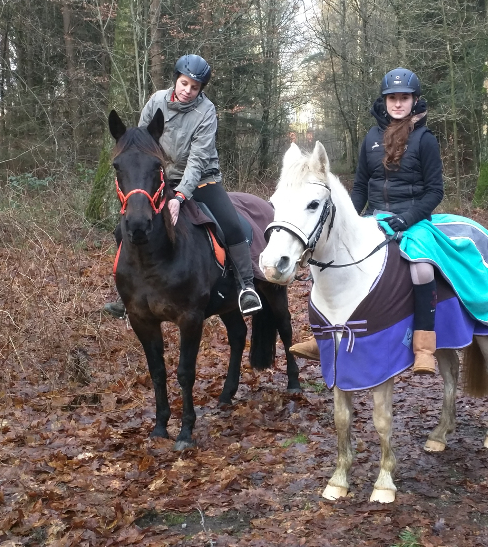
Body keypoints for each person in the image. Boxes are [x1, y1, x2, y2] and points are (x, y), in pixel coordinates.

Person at [290, 67, 444, 374]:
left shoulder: (425, 140)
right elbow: (360, 186)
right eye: (392, 98)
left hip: (414, 219)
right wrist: (349, 218)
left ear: (414, 101)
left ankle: (424, 347)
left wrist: (408, 218)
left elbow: (434, 191)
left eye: (404, 98)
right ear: (384, 101)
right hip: (375, 218)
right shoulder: (371, 137)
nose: (398, 103)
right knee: (328, 257)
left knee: (423, 270)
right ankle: (322, 336)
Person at [103, 54, 263, 318]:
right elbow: (140, 144)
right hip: (162, 178)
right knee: (124, 228)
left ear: (201, 90)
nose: (188, 90)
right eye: (184, 83)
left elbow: (197, 160)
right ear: (176, 79)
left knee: (232, 226)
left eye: (195, 87)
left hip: (203, 179)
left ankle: (246, 286)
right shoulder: (156, 101)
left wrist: (179, 197)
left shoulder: (206, 111)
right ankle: (127, 293)